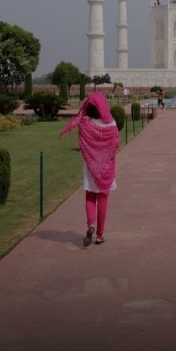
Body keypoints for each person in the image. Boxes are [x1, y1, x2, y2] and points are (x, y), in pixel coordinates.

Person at [60, 93, 121, 247]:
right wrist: (104, 157)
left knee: (90, 197)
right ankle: (100, 235)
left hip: (90, 167)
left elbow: (82, 143)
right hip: (106, 167)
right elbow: (115, 144)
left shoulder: (85, 122)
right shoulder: (111, 124)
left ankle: (90, 226)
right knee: (103, 199)